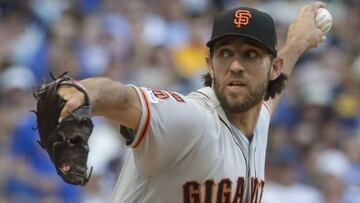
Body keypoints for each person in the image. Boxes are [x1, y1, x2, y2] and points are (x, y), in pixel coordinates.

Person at [57, 2, 326, 202]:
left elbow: (269, 98)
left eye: (251, 55)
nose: (235, 65)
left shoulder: (257, 118)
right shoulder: (192, 118)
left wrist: (298, 43)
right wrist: (84, 92)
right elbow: (123, 98)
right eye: (225, 53)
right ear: (210, 64)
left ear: (274, 68)